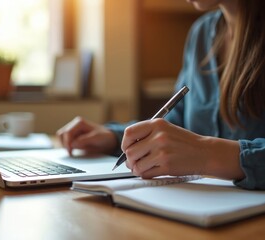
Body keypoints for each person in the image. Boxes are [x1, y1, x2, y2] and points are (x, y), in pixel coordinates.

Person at [56, 0, 265, 190]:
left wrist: (209, 154)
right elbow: (174, 123)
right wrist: (114, 138)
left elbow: (194, 146)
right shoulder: (201, 33)